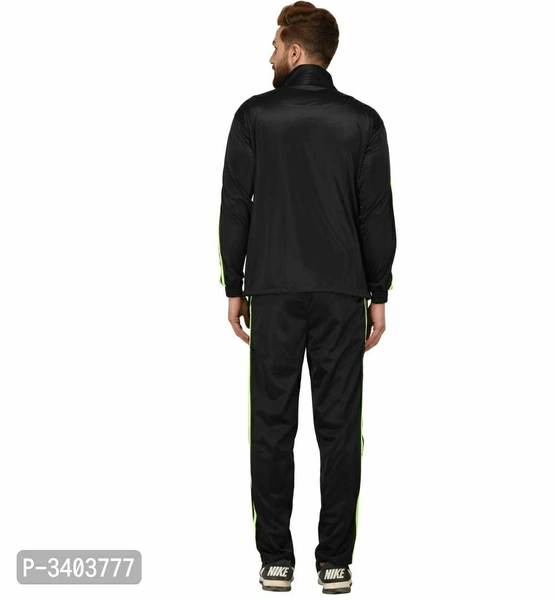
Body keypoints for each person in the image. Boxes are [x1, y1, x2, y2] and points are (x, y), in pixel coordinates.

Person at [217, 1, 396, 593]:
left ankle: (276, 561)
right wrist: (377, 293)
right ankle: (335, 563)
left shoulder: (254, 116)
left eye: (275, 46)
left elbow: (234, 209)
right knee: (340, 428)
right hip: (343, 292)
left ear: (296, 52)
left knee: (271, 425)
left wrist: (236, 287)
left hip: (273, 289)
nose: (269, 55)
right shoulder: (363, 122)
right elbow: (376, 215)